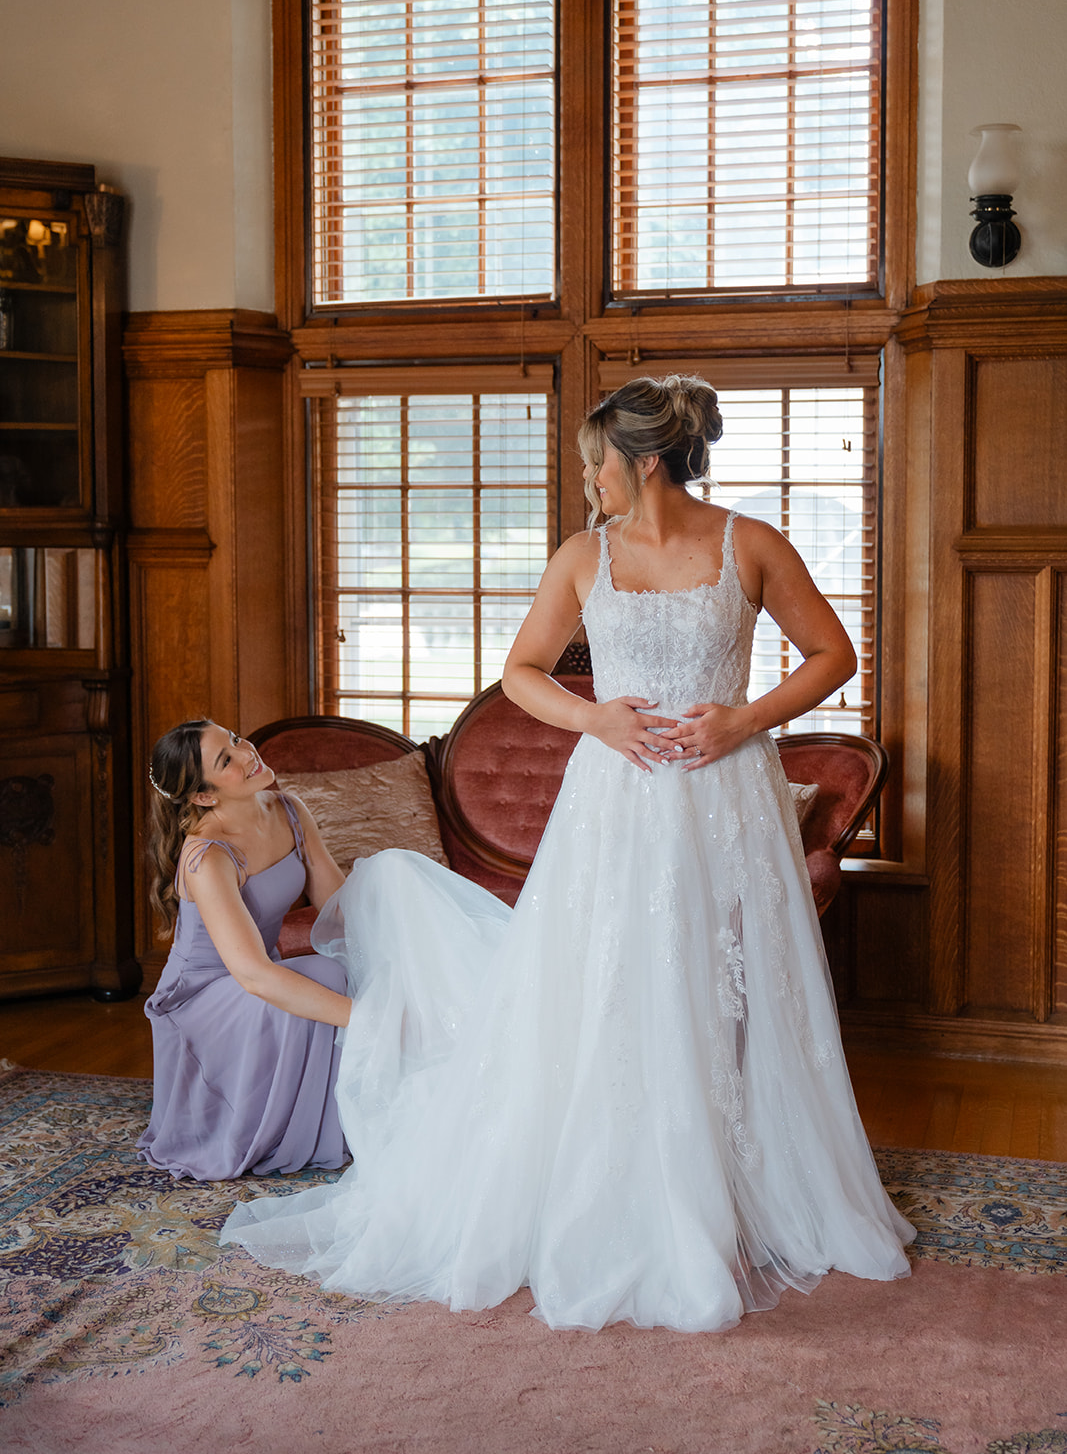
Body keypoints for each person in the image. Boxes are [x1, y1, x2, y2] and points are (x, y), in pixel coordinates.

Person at [222, 375, 913, 1330]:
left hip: (725, 799)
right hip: (616, 803)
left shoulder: (747, 543)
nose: (587, 481)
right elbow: (520, 672)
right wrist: (594, 718)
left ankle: (736, 1182)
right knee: (616, 983)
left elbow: (834, 655)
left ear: (642, 460)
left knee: (725, 987)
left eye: (595, 463)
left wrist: (742, 721)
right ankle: (622, 1182)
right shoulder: (583, 555)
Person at [138, 719, 352, 1181]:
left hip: (257, 972)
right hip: (205, 996)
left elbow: (339, 908)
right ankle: (282, 1132)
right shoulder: (207, 856)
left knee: (340, 972)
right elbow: (254, 976)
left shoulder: (289, 810)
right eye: (226, 760)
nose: (246, 753)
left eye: (234, 740)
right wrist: (369, 1019)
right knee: (323, 991)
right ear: (204, 796)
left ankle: (338, 1122)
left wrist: (397, 960)